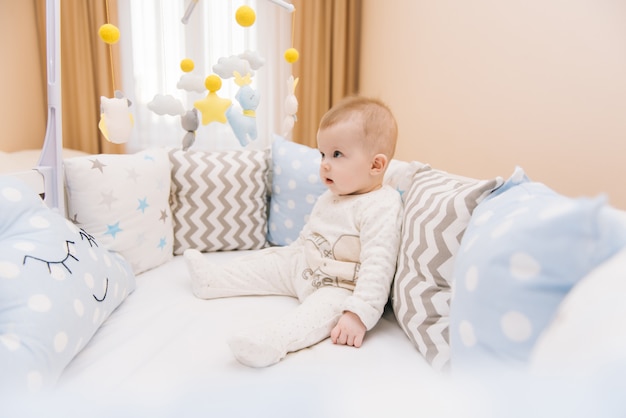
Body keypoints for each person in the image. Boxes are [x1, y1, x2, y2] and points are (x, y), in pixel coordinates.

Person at [184, 95, 403, 367]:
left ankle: (271, 342)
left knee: (314, 314)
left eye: (337, 154)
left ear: (376, 165)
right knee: (266, 262)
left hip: (338, 286)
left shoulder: (381, 205)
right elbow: (310, 233)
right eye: (322, 153)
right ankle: (213, 280)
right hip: (303, 264)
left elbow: (378, 267)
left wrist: (359, 314)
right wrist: (289, 255)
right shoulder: (332, 195)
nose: (324, 163)